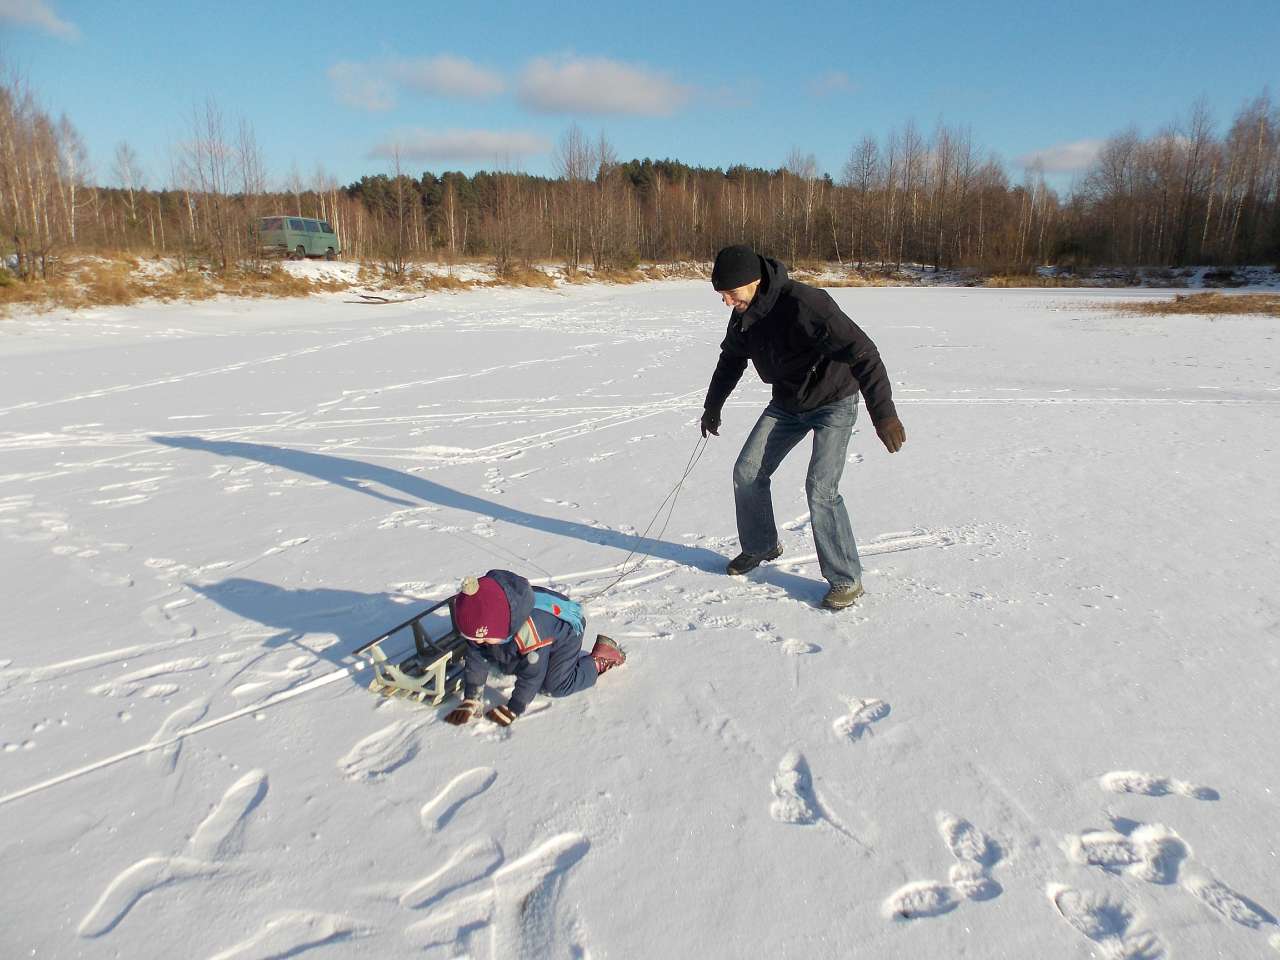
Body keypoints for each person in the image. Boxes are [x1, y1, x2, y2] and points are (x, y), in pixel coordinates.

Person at [700, 245, 906, 610]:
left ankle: (846, 578)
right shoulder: (744, 314)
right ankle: (761, 545)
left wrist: (883, 413)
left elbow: (863, 352)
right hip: (787, 404)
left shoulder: (806, 304)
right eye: (721, 294)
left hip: (834, 401)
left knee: (820, 488)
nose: (725, 301)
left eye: (730, 293)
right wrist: (712, 406)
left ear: (754, 281)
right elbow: (731, 358)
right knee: (747, 471)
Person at [443, 569, 625, 728]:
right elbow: (476, 655)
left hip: (565, 633)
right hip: (523, 624)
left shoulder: (530, 632)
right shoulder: (485, 618)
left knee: (554, 685)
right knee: (499, 657)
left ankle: (599, 660)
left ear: (500, 628)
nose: (478, 642)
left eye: (482, 638)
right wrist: (472, 698)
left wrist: (514, 708)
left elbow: (532, 675)